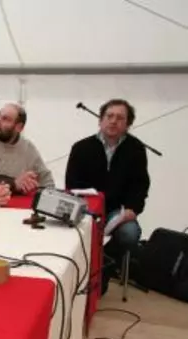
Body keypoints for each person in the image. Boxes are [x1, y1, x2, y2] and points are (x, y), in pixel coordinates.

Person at [65, 98, 150, 289]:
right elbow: (71, 184)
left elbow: (140, 185)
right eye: (109, 116)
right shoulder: (81, 148)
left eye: (120, 118)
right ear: (100, 120)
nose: (113, 121)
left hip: (117, 212)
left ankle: (104, 267)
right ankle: (82, 273)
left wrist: (132, 210)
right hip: (87, 209)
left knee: (130, 233)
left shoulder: (136, 150)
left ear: (128, 124)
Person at [0, 102, 55, 192]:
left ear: (19, 127)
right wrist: (15, 183)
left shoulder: (27, 148)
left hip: (17, 204)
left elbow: (47, 182)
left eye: (5, 119)